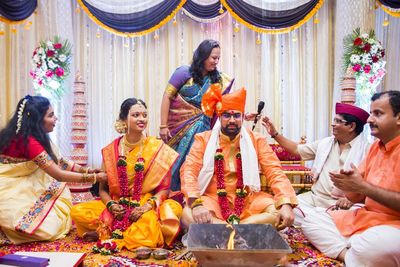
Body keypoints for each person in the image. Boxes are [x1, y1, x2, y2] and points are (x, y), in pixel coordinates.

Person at [302, 91, 400, 266]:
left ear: (398, 118)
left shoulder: (368, 147)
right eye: (371, 113)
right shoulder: (375, 149)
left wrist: (363, 187)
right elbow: (356, 195)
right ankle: (348, 254)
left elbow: (364, 189)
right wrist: (348, 187)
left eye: (377, 113)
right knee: (312, 221)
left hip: (393, 227)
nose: (369, 119)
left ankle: (354, 249)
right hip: (366, 218)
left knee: (372, 246)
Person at [71, 98, 182, 250]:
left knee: (171, 211)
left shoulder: (157, 148)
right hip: (118, 205)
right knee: (78, 211)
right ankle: (118, 231)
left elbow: (164, 189)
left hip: (145, 204)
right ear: (124, 119)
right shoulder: (111, 150)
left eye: (144, 115)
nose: (142, 119)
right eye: (136, 115)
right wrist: (111, 205)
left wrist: (146, 207)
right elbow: (103, 189)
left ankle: (108, 233)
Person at [180, 85, 297, 228]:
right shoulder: (204, 139)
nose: (231, 120)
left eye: (236, 115)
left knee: (277, 213)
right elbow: (189, 171)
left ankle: (226, 231)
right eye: (226, 115)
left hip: (248, 201)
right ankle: (242, 231)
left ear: (242, 117)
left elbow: (274, 171)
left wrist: (285, 203)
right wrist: (196, 204)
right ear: (219, 117)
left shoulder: (256, 140)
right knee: (187, 215)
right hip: (213, 200)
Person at [0, 95, 107, 245]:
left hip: (22, 182)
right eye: (51, 115)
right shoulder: (29, 142)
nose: (56, 118)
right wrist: (96, 178)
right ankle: (5, 234)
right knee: (51, 227)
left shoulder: (33, 135)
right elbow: (58, 174)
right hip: (9, 186)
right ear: (37, 120)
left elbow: (60, 162)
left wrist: (88, 171)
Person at [261, 102, 370, 226]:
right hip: (313, 200)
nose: (333, 124)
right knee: (280, 210)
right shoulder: (325, 144)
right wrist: (274, 134)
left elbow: (370, 186)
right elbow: (297, 150)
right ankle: (320, 222)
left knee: (358, 215)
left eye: (338, 121)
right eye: (334, 120)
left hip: (342, 205)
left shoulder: (368, 150)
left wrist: (351, 199)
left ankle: (319, 222)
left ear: (351, 126)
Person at [159, 39, 234, 192]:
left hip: (204, 129)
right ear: (203, 55)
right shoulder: (183, 72)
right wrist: (163, 125)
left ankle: (192, 196)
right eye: (213, 57)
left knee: (197, 164)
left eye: (218, 58)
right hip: (178, 129)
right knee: (174, 163)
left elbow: (226, 104)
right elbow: (167, 97)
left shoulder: (218, 80)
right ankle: (171, 196)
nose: (216, 61)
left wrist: (243, 116)